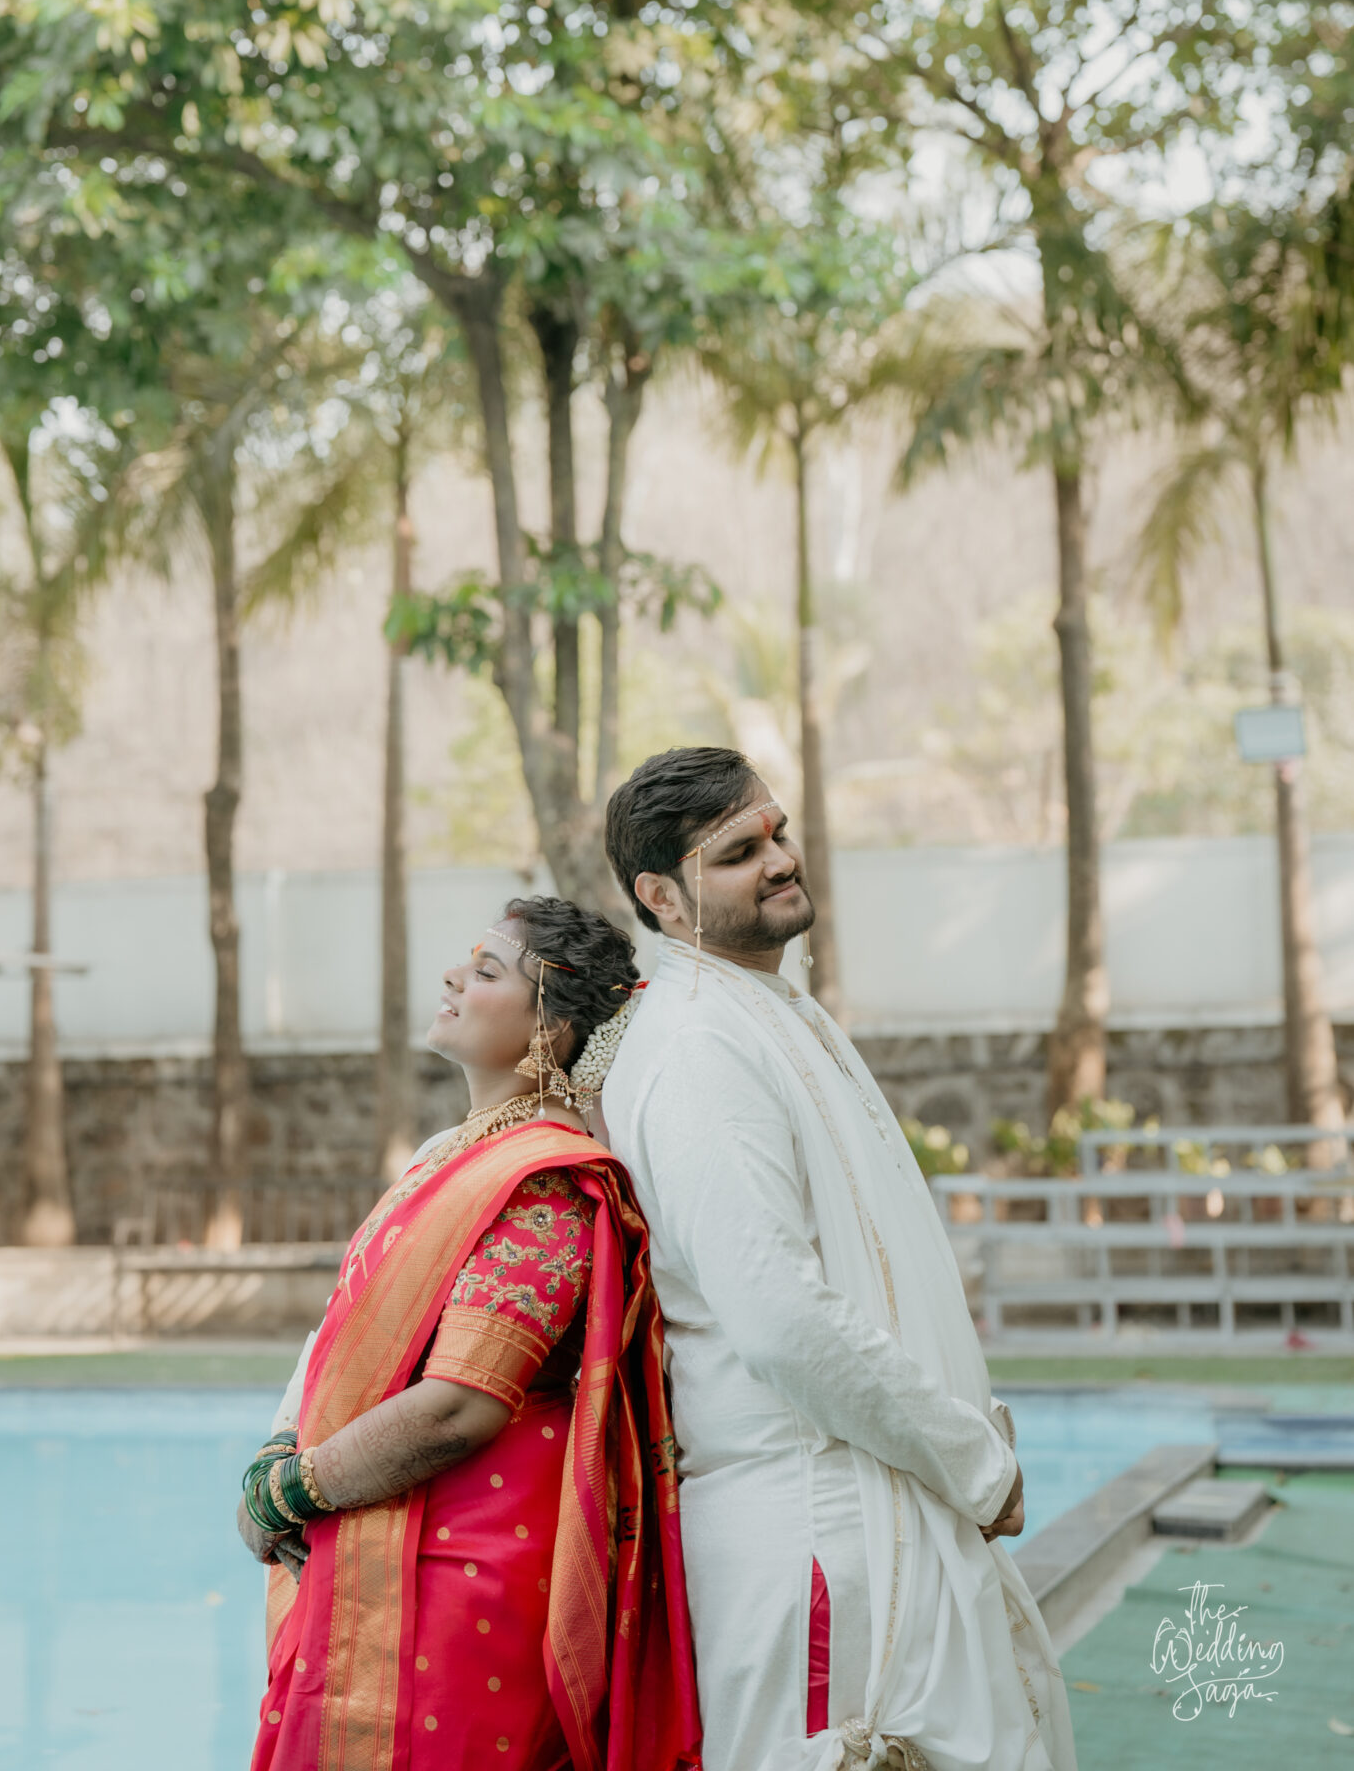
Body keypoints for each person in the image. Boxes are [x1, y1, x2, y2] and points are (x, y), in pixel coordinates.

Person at [599, 747, 1076, 1771]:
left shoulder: (765, 1007)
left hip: (875, 1510)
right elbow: (779, 1318)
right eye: (738, 853)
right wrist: (974, 1463)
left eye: (777, 832)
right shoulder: (696, 1046)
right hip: (818, 1535)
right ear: (661, 898)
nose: (780, 860)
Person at [239, 893, 702, 1771]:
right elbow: (343, 1332)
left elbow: (460, 1405)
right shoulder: (447, 1155)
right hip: (386, 1533)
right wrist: (278, 1448)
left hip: (460, 1571)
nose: (453, 976)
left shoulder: (546, 1181)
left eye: (486, 971)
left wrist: (287, 1493)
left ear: (550, 1028)